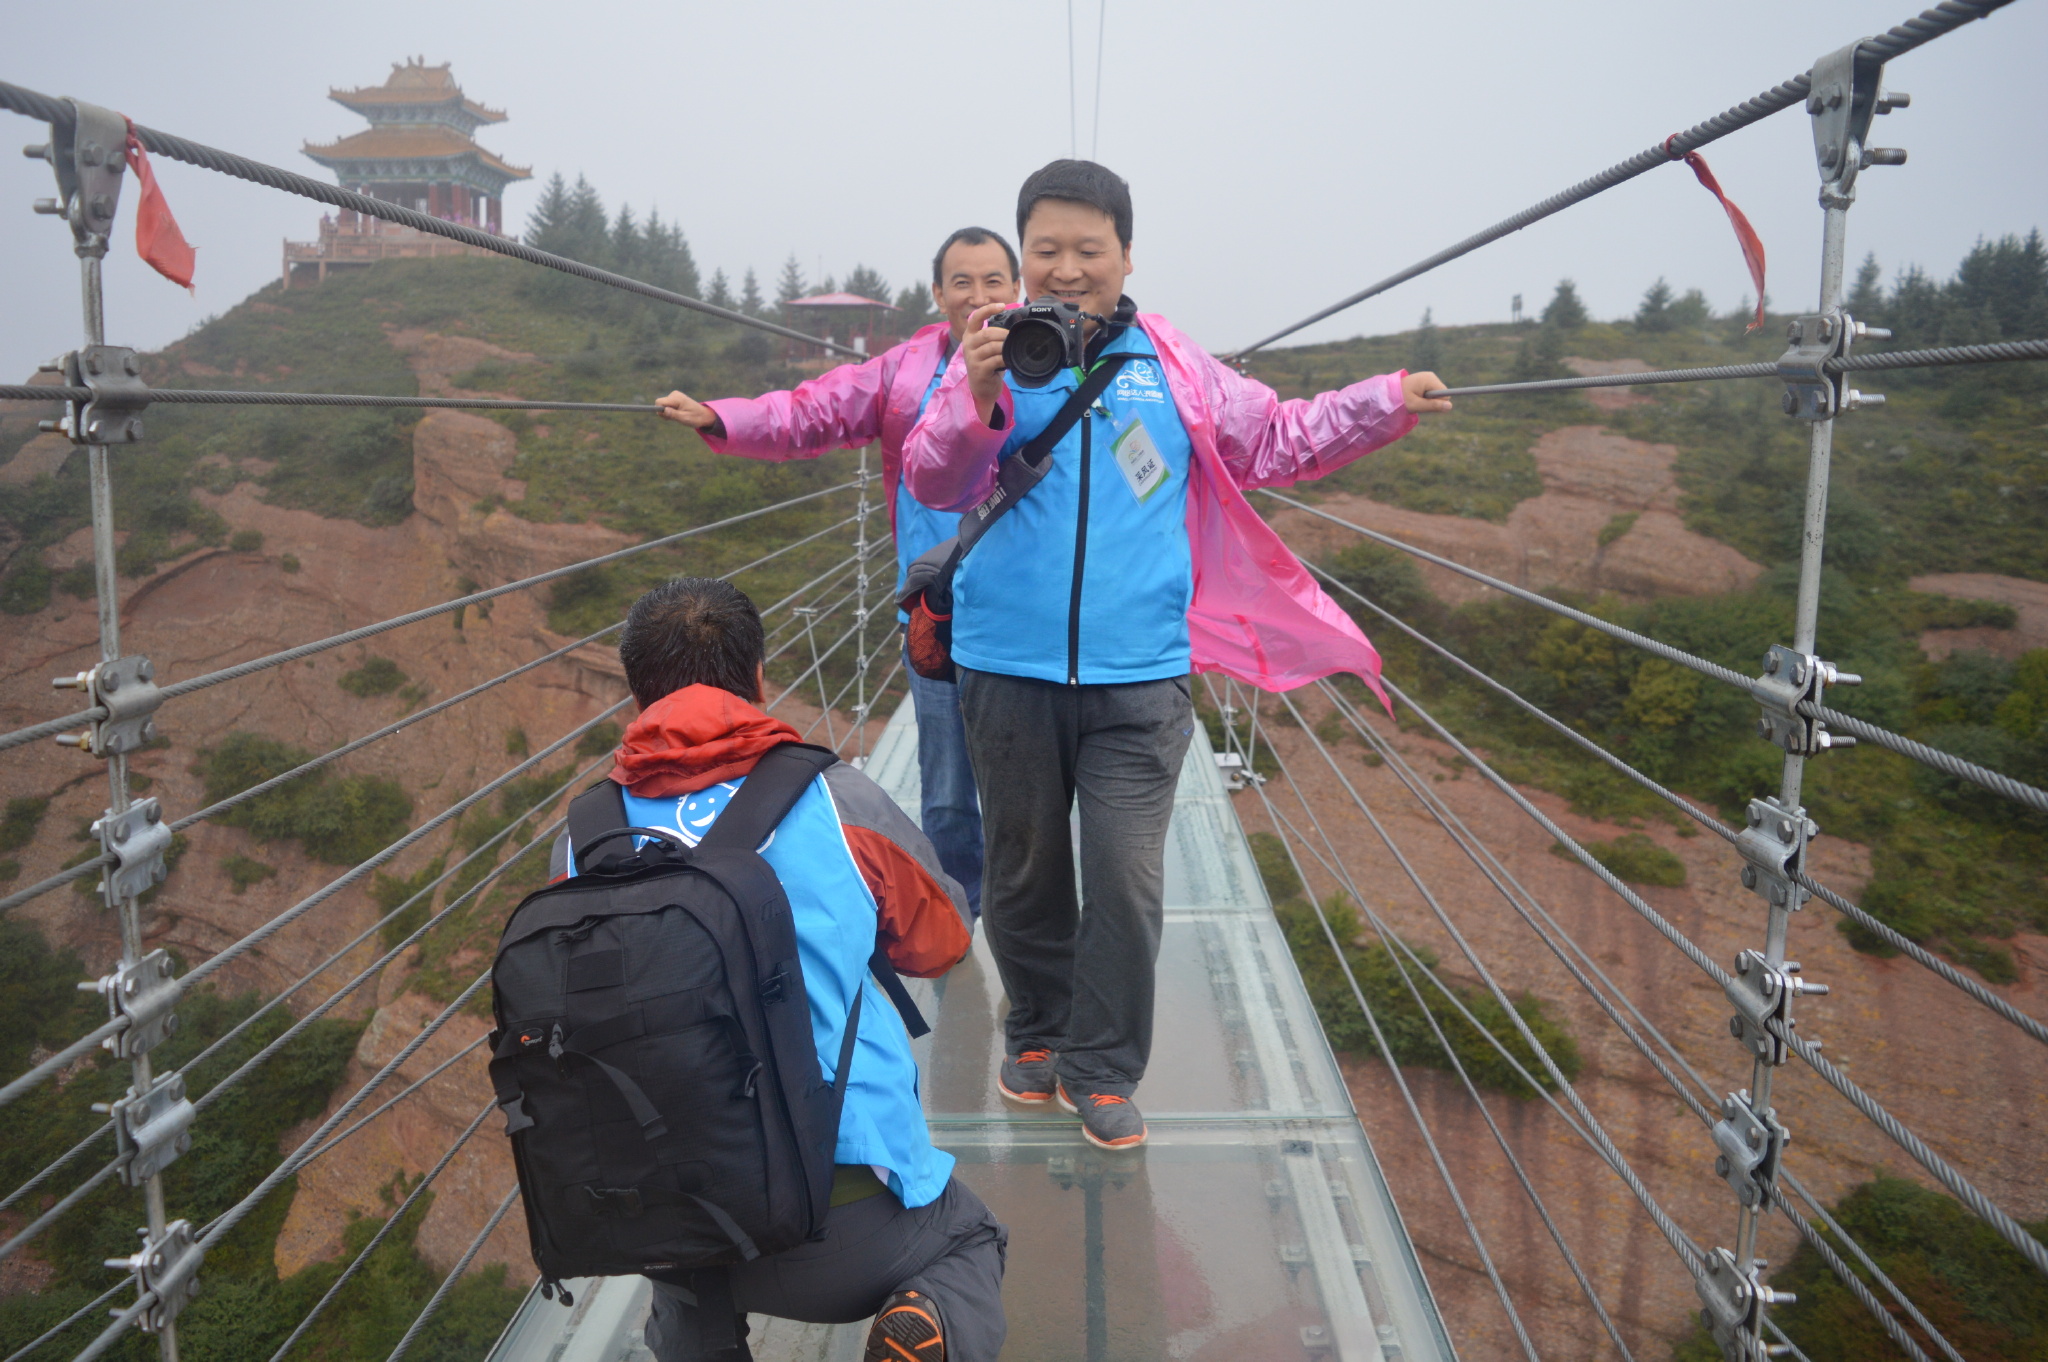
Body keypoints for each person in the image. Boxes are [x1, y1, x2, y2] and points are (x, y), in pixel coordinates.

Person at [902, 160, 1453, 1152]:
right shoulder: (989, 353)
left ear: (1124, 254)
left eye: (1088, 249)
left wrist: (1386, 401)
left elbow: (1277, 438)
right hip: (1005, 666)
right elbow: (935, 477)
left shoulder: (1174, 366)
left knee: (1123, 875)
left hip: (1140, 674)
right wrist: (972, 398)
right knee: (1024, 871)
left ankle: (1102, 1066)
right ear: (1021, 257)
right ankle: (1036, 1030)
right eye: (1046, 251)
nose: (1066, 269)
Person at [551, 577, 1006, 1361]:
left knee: (684, 1277)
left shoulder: (583, 839)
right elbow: (941, 942)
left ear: (637, 697)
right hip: (846, 1220)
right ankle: (926, 1318)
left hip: (671, 1219)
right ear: (758, 680)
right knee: (970, 1242)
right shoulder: (838, 801)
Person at [654, 229, 1024, 924]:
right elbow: (809, 412)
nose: (980, 296)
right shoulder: (901, 374)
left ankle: (1025, 922)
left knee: (1028, 784)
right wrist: (719, 416)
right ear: (938, 293)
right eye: (963, 282)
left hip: (1029, 612)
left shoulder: (1046, 364)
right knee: (946, 788)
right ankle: (964, 917)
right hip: (939, 612)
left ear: (1018, 289)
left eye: (995, 281)